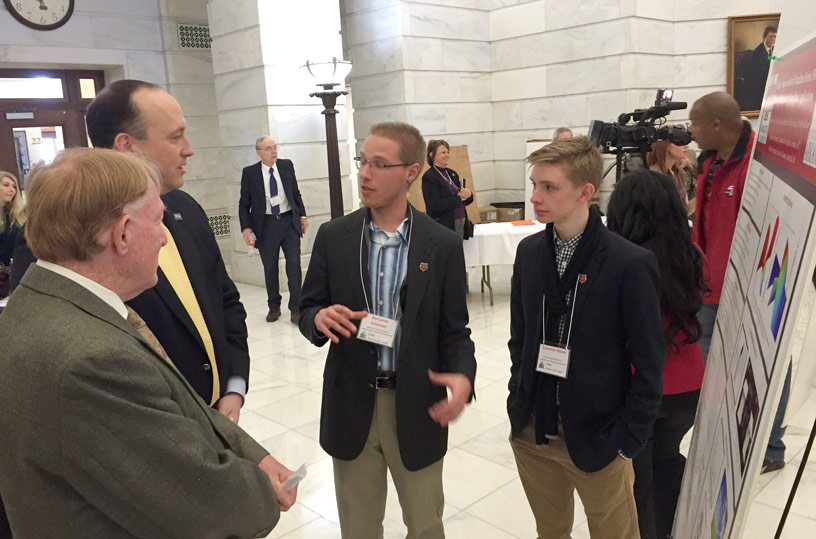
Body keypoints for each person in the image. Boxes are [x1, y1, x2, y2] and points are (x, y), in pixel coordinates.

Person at [0, 148, 296, 537]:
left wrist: (252, 455)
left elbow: (182, 406)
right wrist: (262, 492)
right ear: (122, 233)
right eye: (158, 222)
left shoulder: (38, 302)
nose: (164, 238)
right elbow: (203, 505)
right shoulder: (92, 362)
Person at [10, 79, 252, 422]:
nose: (189, 149)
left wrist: (234, 385)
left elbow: (225, 300)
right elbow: (49, 356)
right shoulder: (60, 235)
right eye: (175, 137)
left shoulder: (186, 208)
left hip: (218, 416)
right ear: (127, 145)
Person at [299, 122, 476, 538]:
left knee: (425, 524)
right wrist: (318, 319)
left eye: (379, 164)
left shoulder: (441, 245)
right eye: (363, 161)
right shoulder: (334, 237)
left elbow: (455, 330)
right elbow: (306, 307)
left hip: (416, 404)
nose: (365, 173)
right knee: (358, 528)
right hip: (351, 403)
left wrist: (462, 376)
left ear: (411, 172)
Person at [507, 136, 665, 538]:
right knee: (550, 531)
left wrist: (628, 439)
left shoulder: (630, 263)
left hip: (600, 434)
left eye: (549, 187)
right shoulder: (529, 253)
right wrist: (517, 396)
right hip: (533, 428)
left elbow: (649, 362)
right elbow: (520, 336)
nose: (535, 197)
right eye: (535, 184)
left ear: (585, 192)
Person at [607, 170, 707, 539]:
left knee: (637, 476)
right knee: (666, 459)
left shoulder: (625, 262)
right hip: (688, 383)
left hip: (639, 385)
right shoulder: (691, 254)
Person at [688, 91, 755, 361]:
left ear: (716, 124)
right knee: (703, 347)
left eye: (694, 123)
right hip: (708, 281)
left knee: (755, 358)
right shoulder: (709, 160)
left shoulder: (756, 162)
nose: (690, 130)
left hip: (743, 289)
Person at [239, 136, 308, 323]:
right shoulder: (250, 173)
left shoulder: (286, 166)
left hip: (289, 222)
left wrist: (302, 215)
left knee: (294, 266)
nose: (274, 152)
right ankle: (274, 306)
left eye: (275, 147)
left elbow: (295, 193)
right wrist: (246, 228)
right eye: (268, 148)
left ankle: (296, 307)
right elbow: (244, 205)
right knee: (270, 267)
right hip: (266, 225)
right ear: (259, 152)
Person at [421, 139, 473, 238]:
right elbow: (435, 204)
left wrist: (469, 195)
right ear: (432, 155)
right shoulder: (429, 177)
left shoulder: (452, 173)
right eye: (443, 152)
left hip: (460, 221)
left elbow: (462, 200)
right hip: (444, 225)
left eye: (448, 152)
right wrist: (458, 198)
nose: (447, 155)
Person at [646, 140, 692, 213]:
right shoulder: (654, 175)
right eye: (680, 143)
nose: (686, 146)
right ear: (666, 146)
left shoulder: (679, 172)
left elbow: (684, 210)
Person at [745, 26, 777, 111]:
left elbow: (770, 58)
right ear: (764, 37)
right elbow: (759, 76)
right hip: (758, 88)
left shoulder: (771, 49)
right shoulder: (758, 53)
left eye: (775, 36)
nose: (773, 39)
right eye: (770, 36)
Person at [0, 171, 24, 268]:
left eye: (14, 186)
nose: (12, 190)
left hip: (19, 266)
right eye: (6, 185)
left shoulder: (19, 214)